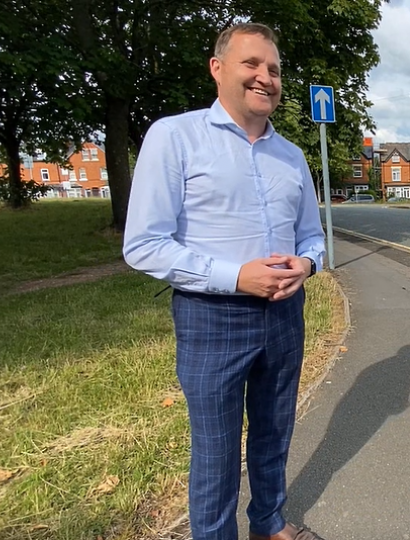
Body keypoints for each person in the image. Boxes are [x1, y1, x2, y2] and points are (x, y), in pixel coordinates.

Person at [123, 23, 326, 540]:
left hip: (284, 316)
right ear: (218, 69)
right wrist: (236, 276)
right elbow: (143, 243)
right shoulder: (174, 136)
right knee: (215, 450)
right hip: (211, 317)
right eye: (252, 64)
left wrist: (307, 265)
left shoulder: (293, 157)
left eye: (274, 69)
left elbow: (312, 238)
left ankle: (269, 523)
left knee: (275, 432)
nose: (266, 78)